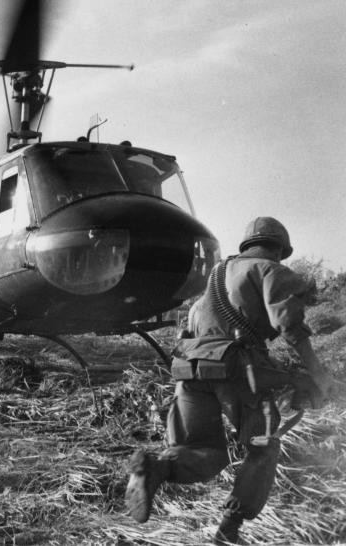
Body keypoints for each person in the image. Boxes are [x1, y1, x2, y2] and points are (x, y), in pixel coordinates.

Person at [124, 217, 336, 544]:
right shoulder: (273, 272)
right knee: (263, 447)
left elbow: (196, 328)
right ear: (279, 248)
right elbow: (289, 327)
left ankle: (155, 467)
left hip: (189, 368)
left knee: (204, 451)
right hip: (234, 369)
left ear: (246, 245)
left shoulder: (215, 278)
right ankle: (229, 529)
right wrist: (318, 374)